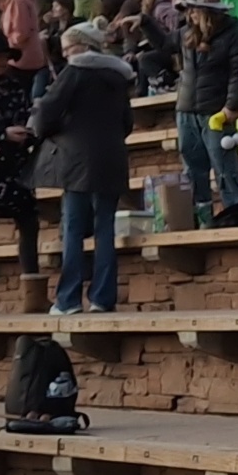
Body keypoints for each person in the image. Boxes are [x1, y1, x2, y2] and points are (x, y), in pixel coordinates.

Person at [32, 27, 137, 312]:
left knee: (74, 229)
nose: (65, 55)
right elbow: (127, 122)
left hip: (77, 162)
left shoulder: (74, 72)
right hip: (112, 160)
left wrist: (55, 130)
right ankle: (103, 299)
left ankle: (68, 299)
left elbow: (45, 115)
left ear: (81, 46)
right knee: (105, 230)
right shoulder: (118, 76)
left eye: (68, 49)